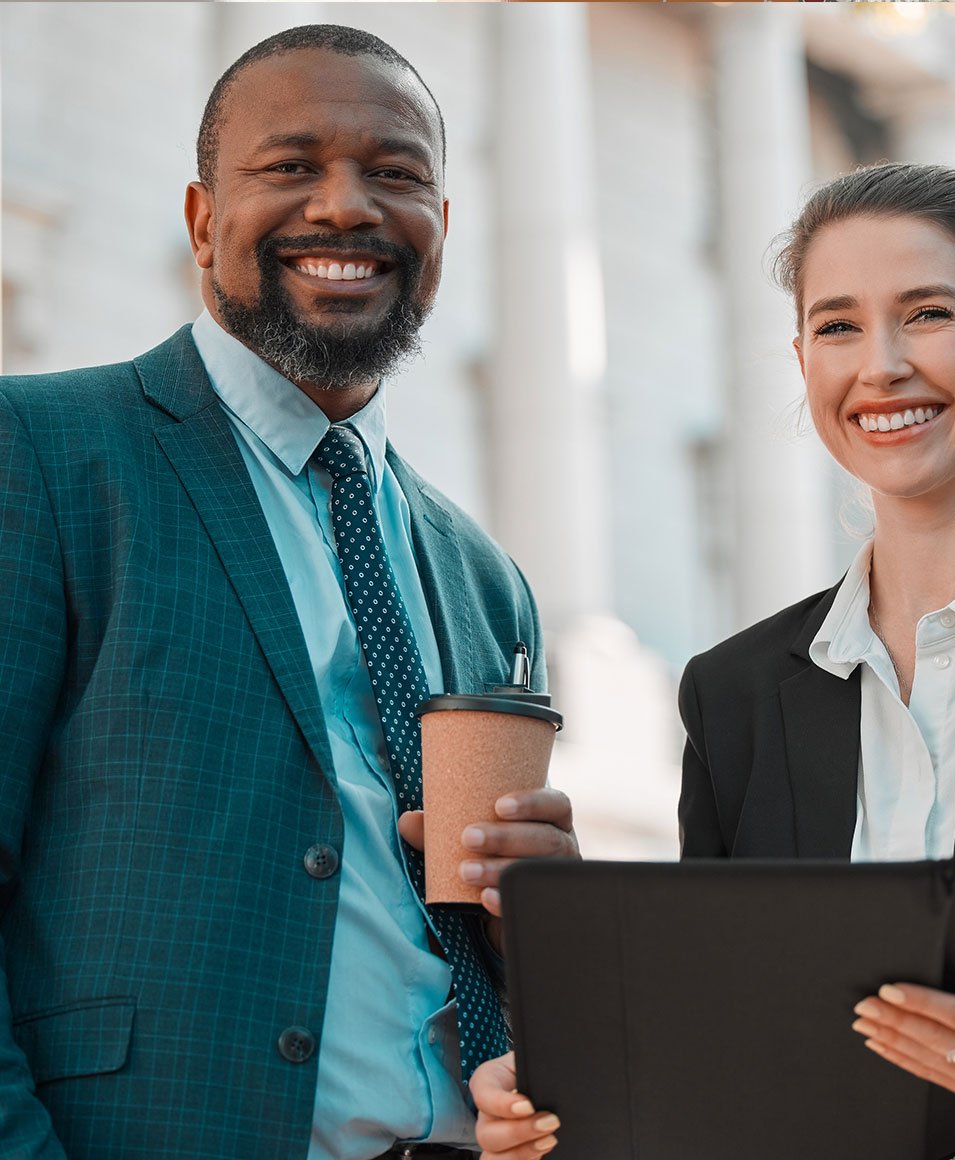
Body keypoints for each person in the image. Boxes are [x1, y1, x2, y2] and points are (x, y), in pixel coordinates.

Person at [473, 164, 955, 1160]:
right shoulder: (733, 695)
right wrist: (558, 1081)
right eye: (837, 326)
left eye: (925, 312)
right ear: (802, 358)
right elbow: (721, 1032)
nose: (878, 364)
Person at [0, 24, 578, 1160]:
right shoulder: (41, 457)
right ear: (203, 220)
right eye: (289, 166)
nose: (345, 205)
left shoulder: (485, 576)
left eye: (396, 174)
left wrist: (543, 931)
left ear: (443, 231)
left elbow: (436, 933)